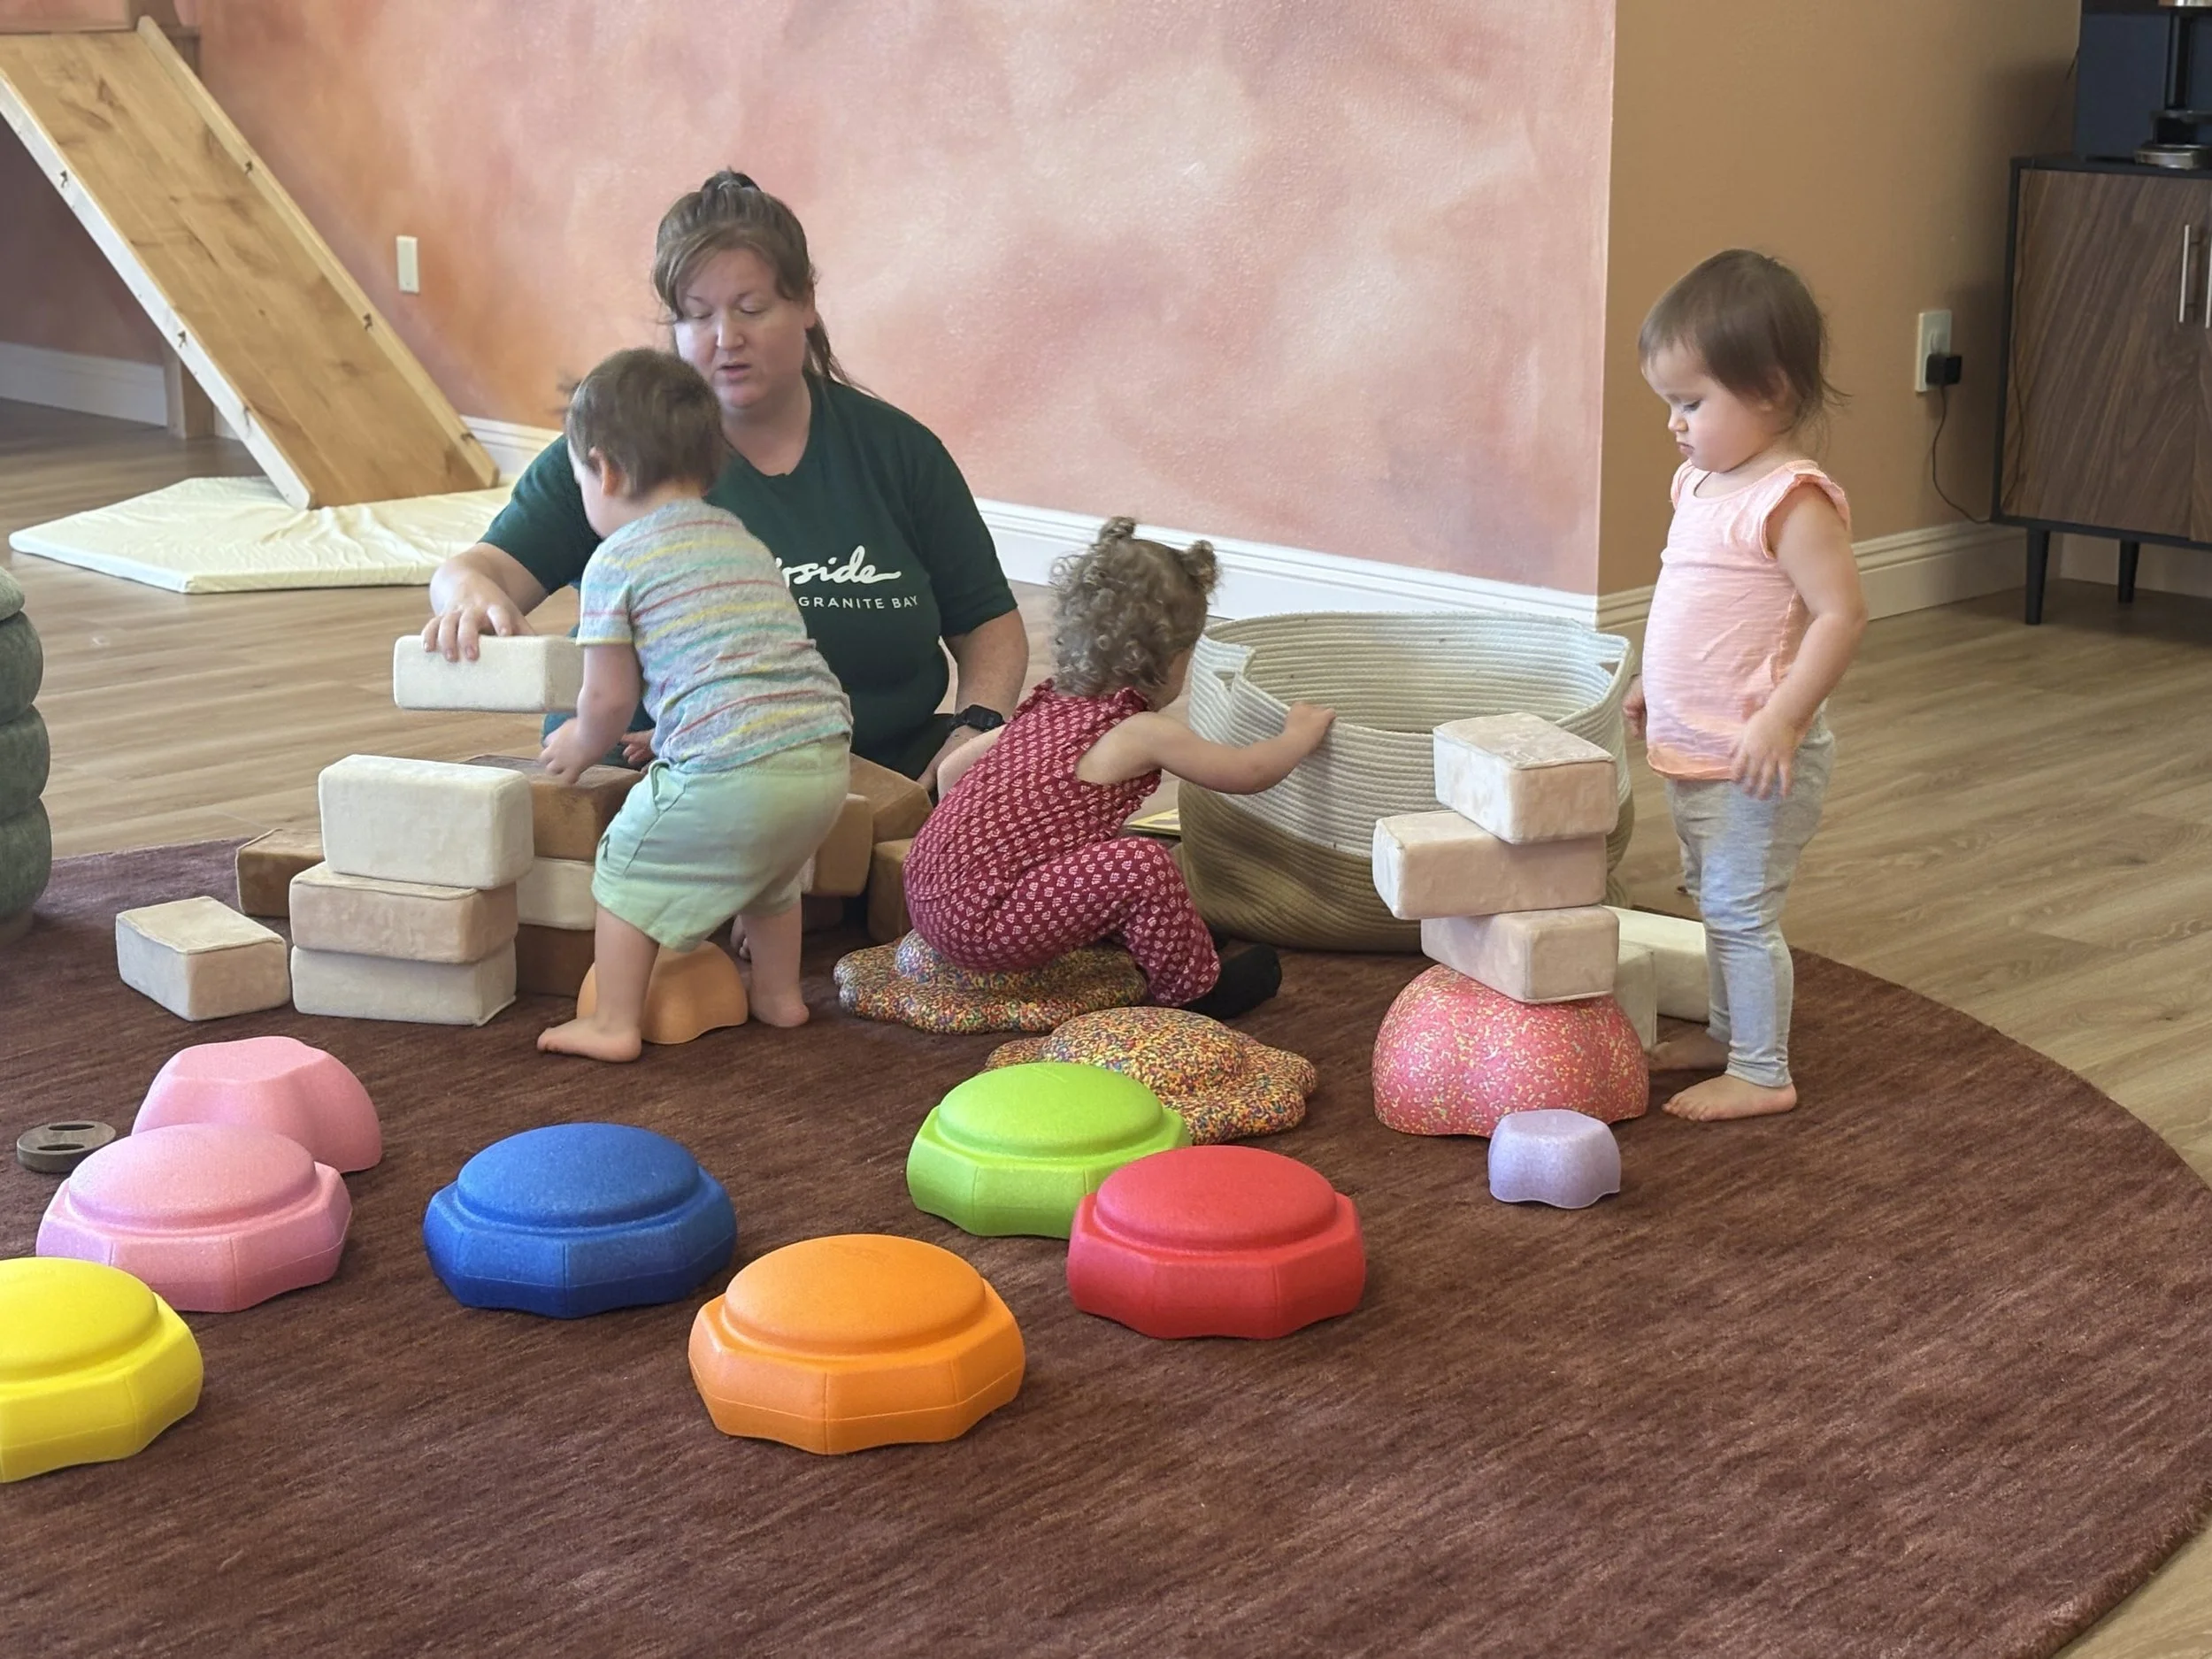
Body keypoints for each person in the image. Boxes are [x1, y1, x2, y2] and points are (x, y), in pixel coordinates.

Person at [422, 170, 1025, 785]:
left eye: (752, 309)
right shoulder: (613, 452)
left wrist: (975, 727)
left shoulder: (900, 452)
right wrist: (466, 596)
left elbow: (988, 620)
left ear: (806, 303)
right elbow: (476, 571)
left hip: (878, 773)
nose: (726, 338)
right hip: (655, 781)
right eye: (697, 315)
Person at [536, 348, 852, 1063]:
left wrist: (585, 743)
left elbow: (608, 697)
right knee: (771, 879)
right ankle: (779, 997)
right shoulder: (742, 539)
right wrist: (672, 736)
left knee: (623, 866)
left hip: (734, 771)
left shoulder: (614, 560)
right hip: (822, 759)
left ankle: (613, 1021)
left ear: (605, 469)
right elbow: (738, 663)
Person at [906, 518, 1333, 1020]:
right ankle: (1194, 990)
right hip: (982, 929)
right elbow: (1248, 773)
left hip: (928, 895)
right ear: (1173, 659)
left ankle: (1147, 927)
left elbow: (953, 770)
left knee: (1092, 850)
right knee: (1143, 862)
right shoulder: (1141, 731)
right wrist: (1297, 737)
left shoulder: (1046, 710)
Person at [1629, 249, 1869, 1122]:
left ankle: (1763, 1071)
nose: (1676, 424)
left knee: (1739, 909)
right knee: (1710, 898)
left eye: (1692, 403)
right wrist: (1652, 682)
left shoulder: (1792, 500)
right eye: (1670, 405)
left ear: (1767, 390)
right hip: (1695, 747)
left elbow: (1840, 615)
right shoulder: (1697, 482)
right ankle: (1728, 1037)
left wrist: (1782, 717)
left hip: (1758, 759)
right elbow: (1690, 599)